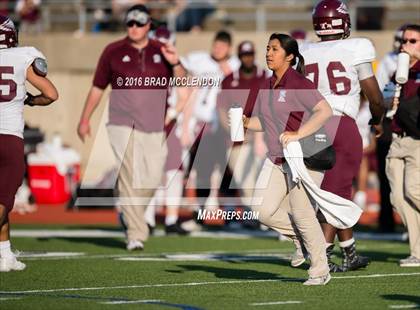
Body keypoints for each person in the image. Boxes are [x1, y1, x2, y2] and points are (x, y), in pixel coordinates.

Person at [77, 4, 186, 250]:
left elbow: (185, 82)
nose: (134, 27)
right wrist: (84, 119)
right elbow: (97, 88)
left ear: (149, 25)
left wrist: (176, 62)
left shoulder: (162, 50)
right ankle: (136, 234)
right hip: (121, 122)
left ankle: (130, 214)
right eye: (130, 23)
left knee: (153, 177)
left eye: (139, 23)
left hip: (154, 125)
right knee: (127, 175)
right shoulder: (113, 51)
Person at [300, 0, 385, 272]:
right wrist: (378, 119)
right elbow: (373, 94)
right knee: (336, 193)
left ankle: (350, 253)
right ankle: (321, 255)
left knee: (335, 190)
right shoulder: (357, 46)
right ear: (342, 21)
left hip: (312, 124)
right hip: (340, 123)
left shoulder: (305, 49)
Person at [244, 33, 333, 285]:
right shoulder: (267, 83)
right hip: (277, 157)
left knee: (303, 212)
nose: (268, 53)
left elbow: (324, 110)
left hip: (304, 156)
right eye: (267, 48)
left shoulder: (297, 82)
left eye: (274, 49)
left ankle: (320, 270)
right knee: (260, 210)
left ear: (290, 56)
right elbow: (267, 121)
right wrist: (246, 123)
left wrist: (298, 134)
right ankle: (299, 238)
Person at [0, 15, 58, 271]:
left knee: (2, 200)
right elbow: (51, 94)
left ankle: (5, 256)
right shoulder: (23, 56)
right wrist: (29, 100)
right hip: (8, 137)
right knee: (3, 198)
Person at [181, 30, 240, 219]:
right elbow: (180, 68)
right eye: (215, 45)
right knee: (202, 166)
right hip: (201, 121)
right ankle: (201, 209)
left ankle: (229, 210)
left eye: (222, 46)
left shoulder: (235, 65)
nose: (217, 49)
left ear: (229, 48)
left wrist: (229, 74)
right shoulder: (199, 60)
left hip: (223, 122)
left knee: (227, 166)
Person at [217, 40, 267, 211]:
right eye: (244, 55)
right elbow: (222, 110)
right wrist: (234, 131)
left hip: (263, 137)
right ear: (239, 57)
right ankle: (252, 214)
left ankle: (260, 216)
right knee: (244, 181)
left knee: (263, 180)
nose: (247, 59)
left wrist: (257, 133)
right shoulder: (229, 80)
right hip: (237, 139)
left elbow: (270, 109)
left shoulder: (266, 78)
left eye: (250, 55)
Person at [386, 24, 420, 267]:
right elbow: (388, 104)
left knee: (413, 191)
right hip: (397, 140)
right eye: (403, 40)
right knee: (398, 198)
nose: (405, 45)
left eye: (412, 41)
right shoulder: (398, 72)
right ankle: (417, 252)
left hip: (417, 140)